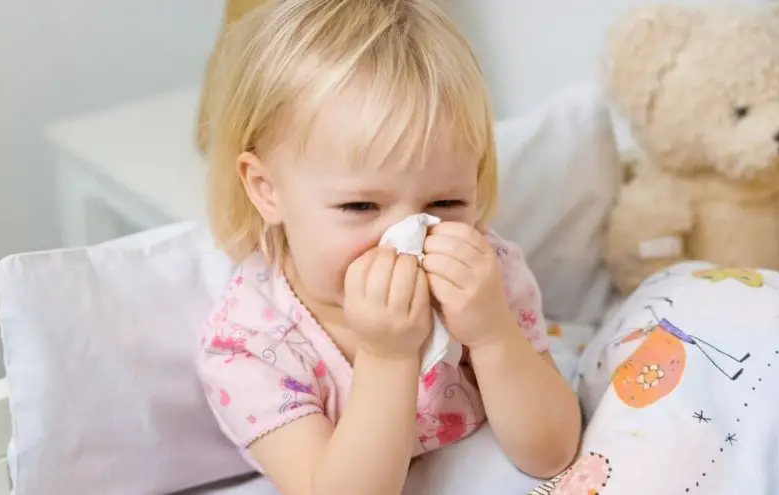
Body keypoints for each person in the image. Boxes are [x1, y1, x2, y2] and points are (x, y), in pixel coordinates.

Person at [196, 1, 581, 493]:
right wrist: (388, 357)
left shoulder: (486, 275)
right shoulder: (251, 346)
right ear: (267, 189)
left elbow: (552, 453)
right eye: (360, 207)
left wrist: (491, 333)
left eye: (445, 201)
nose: (408, 240)